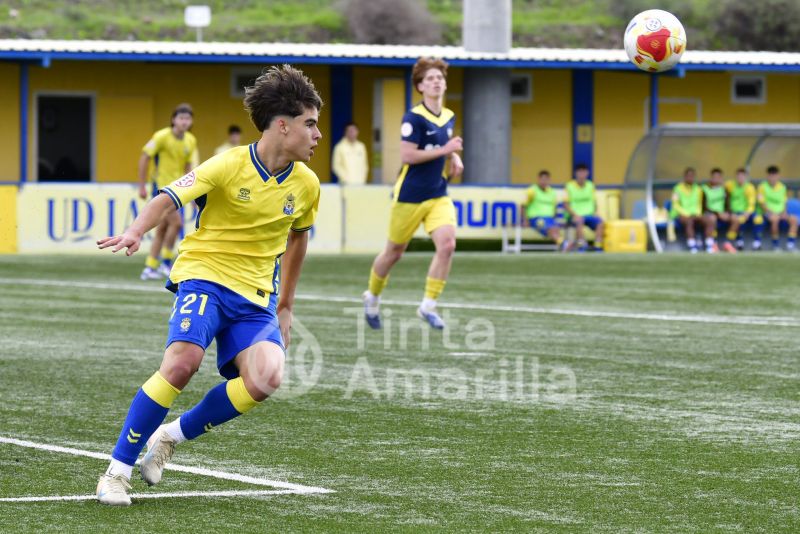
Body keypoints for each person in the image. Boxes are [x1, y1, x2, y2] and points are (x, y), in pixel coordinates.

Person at [95, 65, 323, 506]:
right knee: (182, 364)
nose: (317, 134)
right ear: (282, 125)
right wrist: (137, 230)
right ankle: (115, 474)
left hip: (256, 297)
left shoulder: (307, 184)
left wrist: (287, 305)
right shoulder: (228, 164)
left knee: (266, 378)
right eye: (309, 124)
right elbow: (168, 197)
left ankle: (169, 436)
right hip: (204, 277)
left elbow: (299, 238)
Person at [362, 57, 463, 331]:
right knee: (394, 252)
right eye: (429, 78)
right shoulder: (413, 118)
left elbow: (442, 143)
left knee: (448, 245)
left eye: (439, 77)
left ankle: (428, 306)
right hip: (409, 195)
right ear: (420, 86)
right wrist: (446, 151)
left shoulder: (449, 116)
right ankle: (372, 296)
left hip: (437, 194)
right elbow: (408, 155)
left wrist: (453, 156)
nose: (436, 81)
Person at [138, 104, 199, 280]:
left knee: (163, 228)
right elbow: (144, 157)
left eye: (187, 119)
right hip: (161, 189)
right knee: (177, 224)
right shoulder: (161, 137)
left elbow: (188, 168)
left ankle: (150, 266)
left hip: (177, 190)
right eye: (181, 118)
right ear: (173, 120)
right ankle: (165, 263)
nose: (184, 122)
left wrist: (193, 193)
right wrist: (141, 185)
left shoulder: (190, 140)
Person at [564, 163, 604, 252]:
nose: (582, 174)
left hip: (589, 215)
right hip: (575, 216)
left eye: (584, 172)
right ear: (576, 173)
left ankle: (598, 246)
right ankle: (581, 246)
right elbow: (566, 204)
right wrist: (575, 215)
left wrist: (596, 212)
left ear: (587, 173)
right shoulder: (569, 186)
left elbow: (594, 202)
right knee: (579, 220)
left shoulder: (591, 185)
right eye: (580, 172)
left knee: (600, 222)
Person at [757, 165, 798, 251]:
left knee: (794, 219)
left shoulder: (782, 187)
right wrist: (772, 212)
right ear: (767, 176)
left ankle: (790, 245)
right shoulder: (762, 187)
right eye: (771, 175)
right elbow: (762, 203)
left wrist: (784, 212)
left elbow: (784, 202)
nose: (773, 178)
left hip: (780, 212)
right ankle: (775, 245)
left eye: (775, 175)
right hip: (767, 213)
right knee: (775, 219)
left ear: (778, 176)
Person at [523, 170, 563, 246]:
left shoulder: (552, 192)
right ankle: (562, 243)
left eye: (546, 180)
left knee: (556, 228)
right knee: (550, 228)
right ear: (538, 179)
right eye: (542, 179)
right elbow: (524, 206)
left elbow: (554, 207)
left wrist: (553, 218)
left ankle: (562, 244)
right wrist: (525, 220)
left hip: (549, 218)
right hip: (536, 218)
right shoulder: (532, 190)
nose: (544, 182)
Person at [724, 168, 760, 252]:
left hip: (746, 211)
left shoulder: (750, 187)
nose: (740, 178)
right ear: (736, 176)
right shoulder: (730, 185)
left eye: (742, 176)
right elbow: (722, 188)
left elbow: (751, 202)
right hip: (733, 211)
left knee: (758, 219)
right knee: (739, 219)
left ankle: (757, 242)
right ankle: (738, 242)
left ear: (746, 177)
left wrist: (748, 212)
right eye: (738, 176)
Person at [670, 167, 705, 253]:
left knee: (710, 219)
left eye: (692, 176)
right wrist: (686, 213)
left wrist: (698, 213)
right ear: (684, 177)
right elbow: (675, 204)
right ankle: (692, 245)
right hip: (680, 214)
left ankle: (709, 244)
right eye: (688, 176)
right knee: (689, 221)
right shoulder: (677, 188)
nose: (690, 178)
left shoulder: (698, 189)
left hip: (695, 214)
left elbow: (699, 204)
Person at [701, 168, 729, 254]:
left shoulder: (724, 189)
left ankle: (729, 243)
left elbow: (727, 203)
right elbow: (703, 206)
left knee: (736, 219)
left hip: (721, 213)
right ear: (711, 178)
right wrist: (717, 213)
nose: (716, 179)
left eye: (718, 177)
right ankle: (710, 245)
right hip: (709, 213)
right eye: (714, 177)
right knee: (712, 219)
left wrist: (727, 212)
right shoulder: (705, 189)